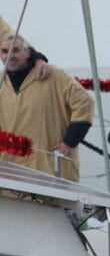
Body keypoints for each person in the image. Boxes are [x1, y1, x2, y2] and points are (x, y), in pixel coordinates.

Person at [0, 33, 93, 181]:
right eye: (4, 51)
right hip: (12, 174)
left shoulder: (54, 76)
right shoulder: (1, 83)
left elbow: (84, 102)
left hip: (51, 170)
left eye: (15, 50)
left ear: (27, 53)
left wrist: (70, 141)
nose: (9, 56)